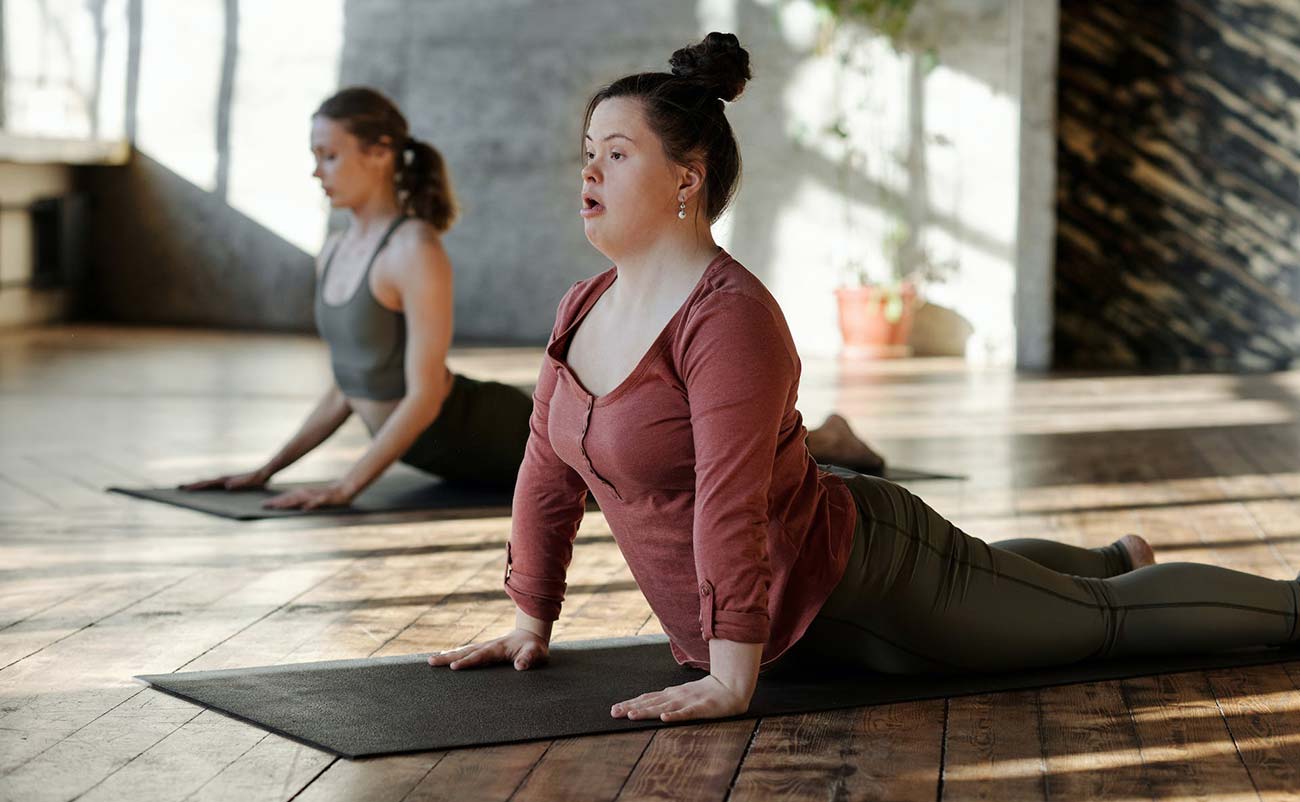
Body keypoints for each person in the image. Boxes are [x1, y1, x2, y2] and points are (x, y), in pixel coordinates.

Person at [428, 33, 1300, 723]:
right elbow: (545, 470)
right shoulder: (583, 305)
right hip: (794, 632)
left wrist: (731, 679)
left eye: (616, 154)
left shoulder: (727, 318)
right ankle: (1113, 558)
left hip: (871, 576)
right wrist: (528, 622)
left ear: (686, 179)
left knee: (1103, 626)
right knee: (1029, 595)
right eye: (588, 151)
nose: (588, 171)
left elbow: (727, 501)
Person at [182, 89, 883, 509]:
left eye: (329, 155)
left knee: (674, 452)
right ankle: (821, 434)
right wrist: (267, 470)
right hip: (441, 448)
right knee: (666, 439)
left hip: (483, 432)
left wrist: (347, 486)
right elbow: (352, 382)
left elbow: (420, 398)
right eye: (314, 156)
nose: (316, 172)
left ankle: (826, 439)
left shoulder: (412, 251)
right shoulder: (337, 248)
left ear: (379, 154)